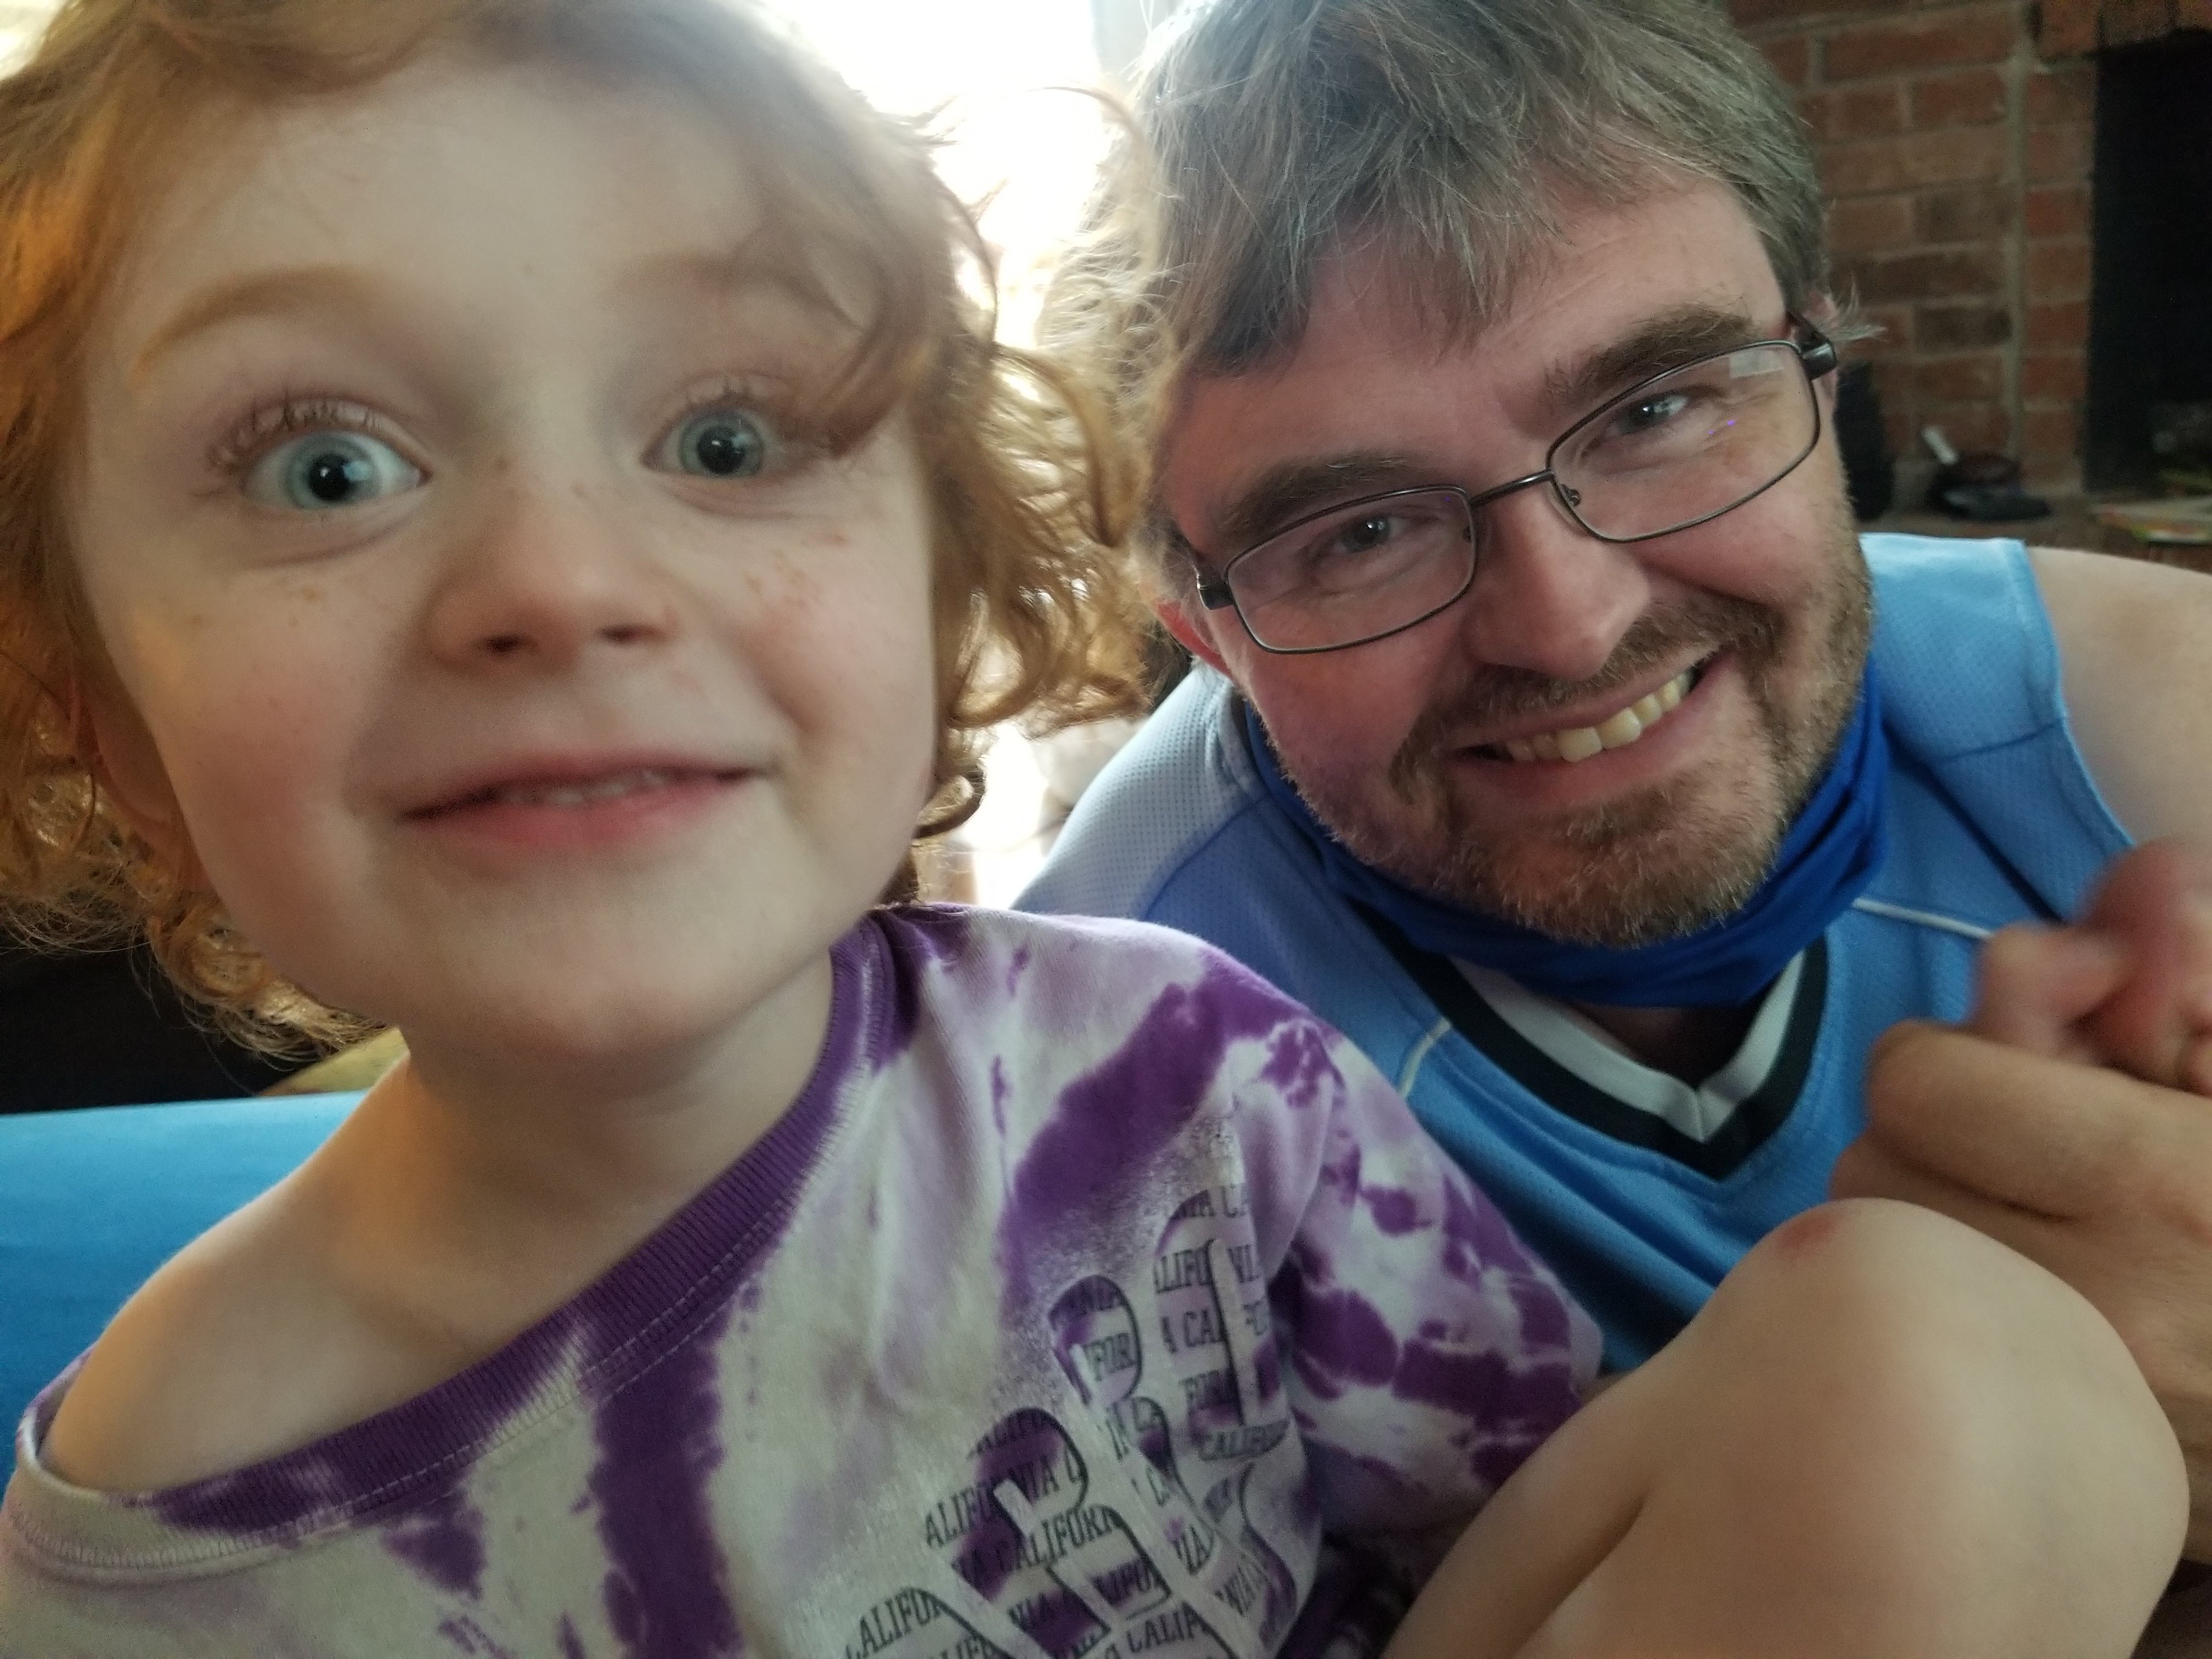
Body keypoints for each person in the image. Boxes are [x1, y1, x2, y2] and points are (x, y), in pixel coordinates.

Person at [0, 3, 2185, 1655]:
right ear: (82, 698)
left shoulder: (1174, 1076)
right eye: (324, 468)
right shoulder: (149, 1555)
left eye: (730, 434)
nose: (561, 582)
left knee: (1946, 1361)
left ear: (945, 590)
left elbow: (1564, 1529)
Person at [1020, 0, 2212, 1576]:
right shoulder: (1095, 1071)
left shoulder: (2148, 736)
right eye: (1359, 532)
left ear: (1823, 376)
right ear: (1206, 640)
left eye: (1657, 412)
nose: (1570, 627)